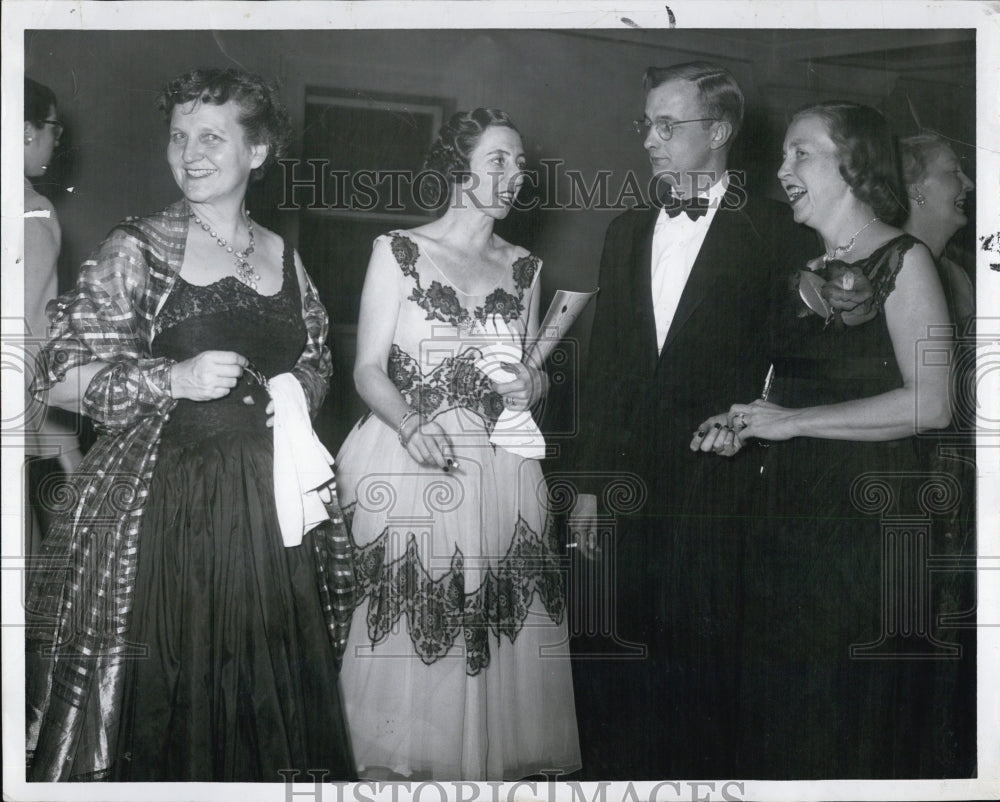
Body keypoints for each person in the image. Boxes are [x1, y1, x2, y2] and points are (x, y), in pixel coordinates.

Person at [25, 67, 355, 782]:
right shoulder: (139, 245)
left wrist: (299, 388)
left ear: (257, 151)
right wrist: (170, 378)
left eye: (211, 137)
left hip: (271, 514)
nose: (189, 153)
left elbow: (318, 358)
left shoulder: (285, 255)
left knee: (265, 706)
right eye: (179, 136)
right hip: (168, 513)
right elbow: (57, 373)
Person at [693, 101, 960, 777]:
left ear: (853, 164)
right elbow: (792, 389)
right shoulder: (801, 268)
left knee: (844, 706)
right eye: (784, 154)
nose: (782, 168)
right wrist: (746, 424)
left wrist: (792, 422)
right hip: (789, 509)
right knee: (784, 702)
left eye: (801, 153)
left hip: (867, 517)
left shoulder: (908, 260)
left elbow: (932, 403)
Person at [566, 62, 816, 778]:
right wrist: (588, 487)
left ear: (719, 131)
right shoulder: (625, 230)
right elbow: (605, 365)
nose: (649, 139)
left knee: (706, 665)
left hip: (724, 482)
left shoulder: (780, 230)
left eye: (666, 125)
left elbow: (798, 363)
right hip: (628, 480)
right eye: (645, 124)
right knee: (616, 655)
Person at [335, 108, 581, 780]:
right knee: (407, 643)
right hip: (409, 456)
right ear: (456, 167)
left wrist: (534, 384)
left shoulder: (525, 267)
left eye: (520, 164)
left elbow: (527, 380)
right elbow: (367, 370)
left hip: (500, 470)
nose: (514, 175)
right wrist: (411, 425)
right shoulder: (398, 251)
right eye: (498, 159)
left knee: (495, 635)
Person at [23, 77, 83, 554]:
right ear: (27, 131)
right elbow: (31, 342)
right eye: (53, 129)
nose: (56, 141)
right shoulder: (33, 213)